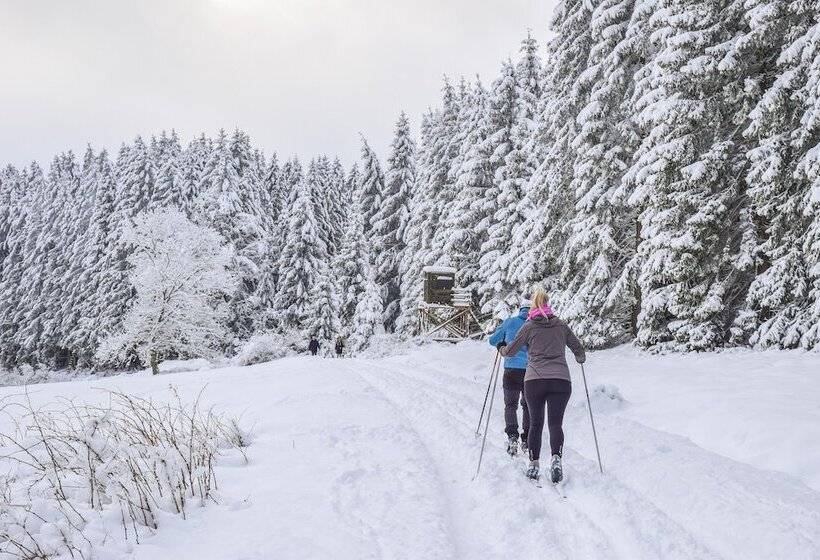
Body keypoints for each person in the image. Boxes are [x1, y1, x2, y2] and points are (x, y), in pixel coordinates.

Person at [498, 287, 585, 483]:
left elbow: (511, 350)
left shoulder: (528, 327)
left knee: (536, 423)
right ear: (548, 305)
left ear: (533, 307)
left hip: (535, 380)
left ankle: (534, 464)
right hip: (561, 380)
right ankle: (556, 459)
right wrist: (580, 357)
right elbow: (578, 348)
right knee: (556, 424)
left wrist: (502, 349)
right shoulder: (561, 325)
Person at [488, 294, 531, 456]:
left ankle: (512, 436)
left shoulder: (510, 322)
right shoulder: (535, 324)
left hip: (511, 370)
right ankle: (527, 439)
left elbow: (493, 340)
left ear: (520, 309)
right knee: (528, 405)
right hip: (531, 371)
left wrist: (502, 343)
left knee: (510, 405)